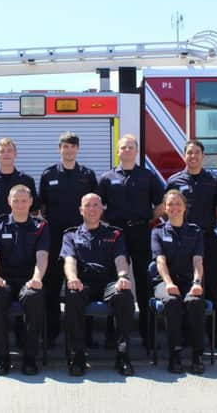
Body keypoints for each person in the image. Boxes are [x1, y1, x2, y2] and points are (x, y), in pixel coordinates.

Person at [98, 134, 165, 346]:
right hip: (115, 234)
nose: (126, 151)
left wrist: (148, 220)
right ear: (117, 151)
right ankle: (112, 333)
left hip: (140, 232)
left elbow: (161, 204)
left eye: (130, 147)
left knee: (144, 282)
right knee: (112, 281)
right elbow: (96, 207)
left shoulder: (147, 176)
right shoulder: (107, 178)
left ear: (136, 151)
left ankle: (147, 332)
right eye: (123, 147)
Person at [61, 193, 135, 377]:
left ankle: (123, 354)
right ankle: (77, 354)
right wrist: (72, 278)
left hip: (108, 282)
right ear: (81, 210)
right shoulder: (71, 235)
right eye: (88, 205)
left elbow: (120, 259)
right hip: (83, 282)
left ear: (102, 209)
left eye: (96, 205)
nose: (92, 209)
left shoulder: (115, 233)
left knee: (124, 295)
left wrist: (122, 277)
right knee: (72, 295)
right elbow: (69, 260)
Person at [165, 139, 217, 348]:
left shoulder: (214, 180)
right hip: (181, 241)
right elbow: (168, 209)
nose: (193, 156)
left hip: (207, 238)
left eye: (197, 153)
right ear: (184, 156)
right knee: (183, 285)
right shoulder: (174, 181)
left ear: (203, 156)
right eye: (189, 153)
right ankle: (183, 335)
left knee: (210, 287)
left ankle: (215, 336)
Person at [39, 132, 98, 345]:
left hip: (82, 237)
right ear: (59, 149)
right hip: (55, 237)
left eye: (72, 146)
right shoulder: (48, 175)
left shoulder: (87, 175)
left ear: (77, 149)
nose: (69, 150)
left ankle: (85, 336)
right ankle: (51, 333)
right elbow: (42, 207)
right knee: (52, 286)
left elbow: (94, 206)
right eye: (65, 146)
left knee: (82, 285)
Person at [0, 184, 49, 376]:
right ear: (9, 201)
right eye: (16, 200)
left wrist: (37, 278)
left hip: (28, 279)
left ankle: (30, 357)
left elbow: (42, 256)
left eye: (24, 201)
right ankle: (2, 356)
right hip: (4, 279)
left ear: (30, 202)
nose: (20, 204)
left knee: (34, 296)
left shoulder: (40, 226)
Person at [151, 190, 206, 374]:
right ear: (165, 209)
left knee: (194, 302)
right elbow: (160, 261)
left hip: (189, 281)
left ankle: (198, 354)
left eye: (178, 204)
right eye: (170, 204)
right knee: (173, 302)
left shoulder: (195, 231)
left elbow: (198, 260)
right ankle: (175, 354)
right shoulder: (157, 231)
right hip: (165, 282)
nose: (174, 208)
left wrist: (197, 282)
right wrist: (168, 283)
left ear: (184, 207)